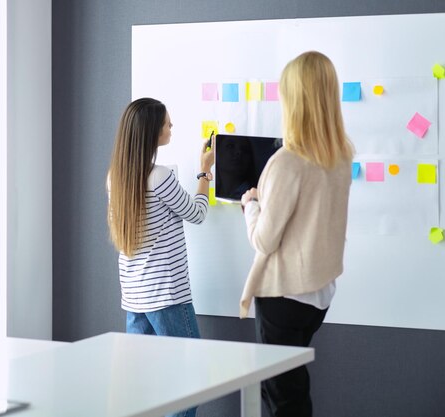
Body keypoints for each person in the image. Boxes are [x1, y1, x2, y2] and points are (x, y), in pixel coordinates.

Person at [239, 51, 354, 417]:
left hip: (284, 295)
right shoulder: (340, 156)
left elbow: (264, 240)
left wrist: (251, 205)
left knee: (282, 398)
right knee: (291, 389)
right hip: (319, 293)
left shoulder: (287, 161)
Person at [107, 97, 214, 417]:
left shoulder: (116, 177)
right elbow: (197, 213)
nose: (171, 128)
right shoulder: (160, 177)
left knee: (145, 387)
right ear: (152, 132)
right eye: (167, 124)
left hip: (136, 299)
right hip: (168, 296)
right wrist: (204, 174)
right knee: (188, 381)